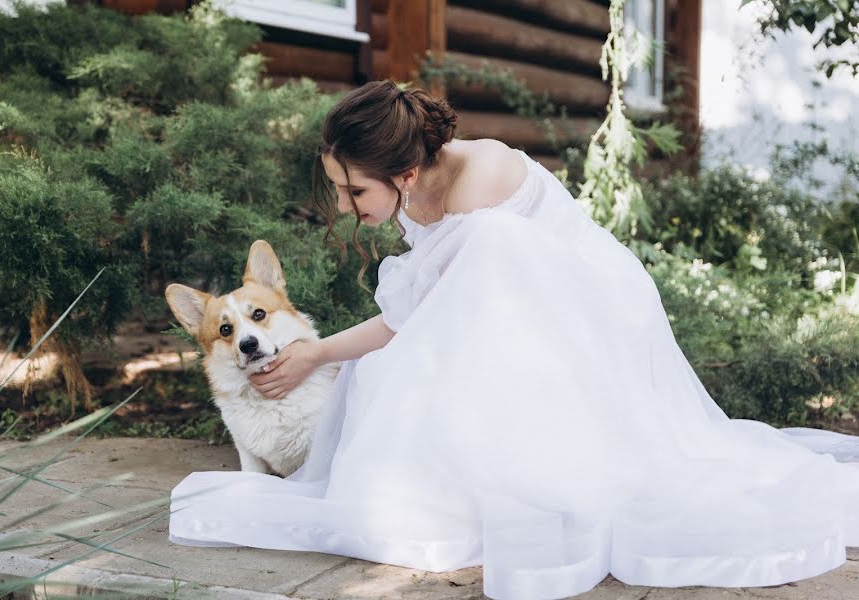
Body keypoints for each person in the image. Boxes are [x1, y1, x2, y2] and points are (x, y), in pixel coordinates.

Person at [169, 79, 859, 600]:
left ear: (404, 175)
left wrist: (319, 352)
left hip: (590, 312)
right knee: (389, 381)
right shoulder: (416, 189)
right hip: (513, 312)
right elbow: (428, 315)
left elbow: (432, 323)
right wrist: (318, 354)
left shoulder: (480, 186)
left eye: (354, 192)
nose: (346, 208)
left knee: (403, 377)